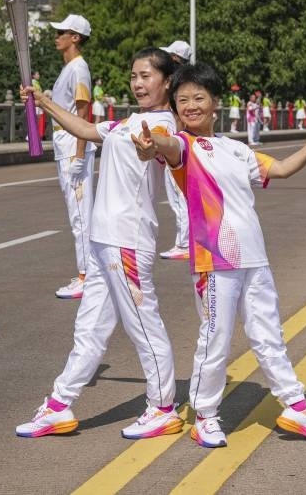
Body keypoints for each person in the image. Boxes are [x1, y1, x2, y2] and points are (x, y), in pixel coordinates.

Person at [132, 62, 306, 448]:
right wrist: (152, 145)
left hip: (254, 257)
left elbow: (280, 169)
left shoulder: (236, 149)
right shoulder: (184, 147)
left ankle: (296, 406)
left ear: (215, 103)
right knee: (216, 338)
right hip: (215, 260)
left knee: (268, 334)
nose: (191, 106)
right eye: (182, 101)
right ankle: (205, 416)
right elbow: (163, 145)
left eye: (198, 98)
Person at [14, 47, 181, 440]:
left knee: (143, 325)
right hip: (103, 241)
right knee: (88, 328)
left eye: (146, 76)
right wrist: (44, 102)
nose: (138, 83)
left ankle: (163, 407)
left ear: (167, 81)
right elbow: (87, 130)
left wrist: (153, 147)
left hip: (128, 240)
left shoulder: (164, 126)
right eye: (134, 76)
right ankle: (59, 405)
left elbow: (165, 146)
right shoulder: (127, 122)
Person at [47, 14, 97, 300]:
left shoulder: (79, 68)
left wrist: (79, 156)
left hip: (72, 147)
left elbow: (83, 113)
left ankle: (86, 275)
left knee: (80, 214)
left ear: (75, 37)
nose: (57, 37)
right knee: (75, 213)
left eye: (62, 33)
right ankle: (86, 272)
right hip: (63, 143)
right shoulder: (68, 69)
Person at [158, 40, 192, 261]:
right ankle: (186, 241)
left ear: (177, 59)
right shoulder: (183, 83)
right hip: (179, 144)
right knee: (180, 196)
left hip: (178, 146)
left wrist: (175, 143)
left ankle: (184, 244)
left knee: (180, 196)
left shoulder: (178, 86)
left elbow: (180, 118)